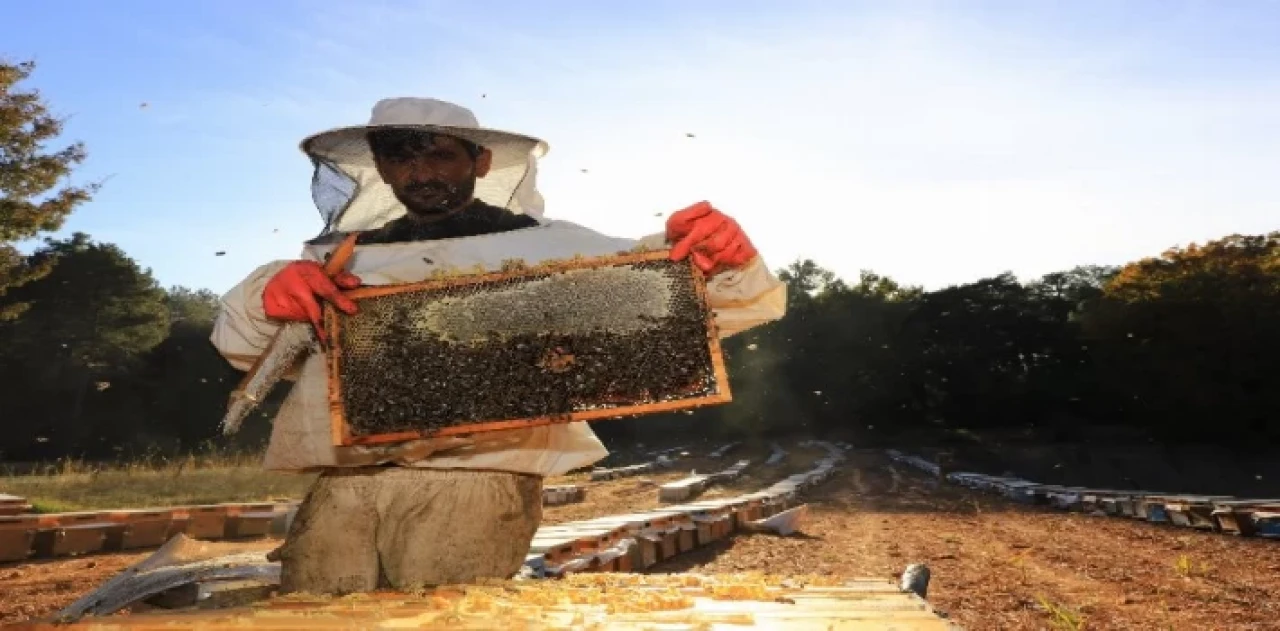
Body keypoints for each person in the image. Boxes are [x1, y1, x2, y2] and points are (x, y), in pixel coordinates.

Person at [210, 97, 786, 595]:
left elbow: (683, 298)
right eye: (402, 158)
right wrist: (271, 297)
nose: (420, 172)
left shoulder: (549, 248)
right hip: (342, 489)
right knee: (314, 617)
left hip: (477, 486)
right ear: (381, 168)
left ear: (479, 161)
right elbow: (244, 348)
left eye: (439, 154)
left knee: (435, 619)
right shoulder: (338, 259)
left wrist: (723, 258)